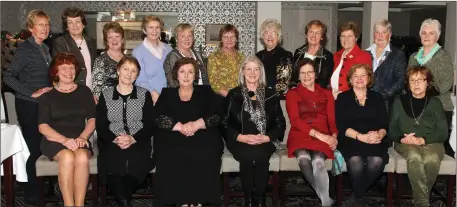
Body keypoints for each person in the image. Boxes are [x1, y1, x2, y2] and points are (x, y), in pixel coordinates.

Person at [153, 58, 224, 206]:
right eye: (182, 72)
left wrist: (196, 124)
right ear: (176, 75)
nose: (186, 76)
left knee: (204, 152)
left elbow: (217, 116)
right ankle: (178, 201)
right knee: (171, 154)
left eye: (190, 72)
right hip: (173, 135)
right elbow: (157, 117)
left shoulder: (206, 91)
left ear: (195, 75)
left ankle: (200, 200)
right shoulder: (167, 94)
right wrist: (179, 126)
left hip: (202, 135)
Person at [2, 10, 53, 205]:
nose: (45, 28)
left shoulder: (44, 48)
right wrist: (30, 93)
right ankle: (32, 195)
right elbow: (8, 77)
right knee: (33, 149)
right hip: (29, 105)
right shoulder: (26, 49)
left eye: (47, 24)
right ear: (31, 28)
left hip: (42, 106)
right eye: (40, 24)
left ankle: (40, 189)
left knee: (41, 148)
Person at [221, 55, 286, 206]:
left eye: (256, 69)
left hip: (265, 139)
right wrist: (240, 137)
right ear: (242, 72)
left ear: (261, 72)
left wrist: (267, 138)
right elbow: (224, 123)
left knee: (261, 155)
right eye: (248, 69)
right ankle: (249, 197)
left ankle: (258, 197)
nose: (252, 72)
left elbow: (280, 124)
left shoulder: (271, 95)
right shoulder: (233, 95)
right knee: (248, 156)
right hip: (239, 140)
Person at [38, 52, 96, 206]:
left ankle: (80, 204)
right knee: (68, 157)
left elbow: (92, 119)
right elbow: (43, 127)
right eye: (63, 68)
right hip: (54, 140)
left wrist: (83, 137)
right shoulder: (47, 95)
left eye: (71, 68)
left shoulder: (84, 91)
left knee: (82, 157)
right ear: (56, 72)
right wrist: (64, 140)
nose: (68, 72)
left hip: (79, 138)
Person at [96, 56, 154, 206]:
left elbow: (149, 124)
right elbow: (101, 124)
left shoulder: (143, 94)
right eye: (126, 69)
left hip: (139, 140)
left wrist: (133, 138)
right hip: (111, 140)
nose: (129, 74)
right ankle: (124, 200)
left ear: (137, 75)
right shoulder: (106, 94)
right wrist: (115, 138)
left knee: (136, 161)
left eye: (133, 71)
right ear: (118, 71)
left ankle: (122, 200)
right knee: (113, 161)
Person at [389, 66, 448, 207]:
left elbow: (443, 132)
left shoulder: (435, 103)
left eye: (420, 80)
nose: (416, 84)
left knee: (431, 159)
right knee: (415, 157)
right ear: (408, 84)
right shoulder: (398, 101)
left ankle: (420, 197)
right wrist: (402, 139)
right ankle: (422, 203)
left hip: (432, 142)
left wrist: (423, 140)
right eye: (412, 80)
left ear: (428, 83)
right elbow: (392, 130)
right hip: (405, 142)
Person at [335, 64, 389, 206]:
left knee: (376, 161)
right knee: (355, 161)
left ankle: (357, 195)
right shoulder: (343, 98)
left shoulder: (377, 97)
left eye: (363, 75)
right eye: (355, 76)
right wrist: (360, 136)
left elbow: (384, 124)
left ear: (369, 78)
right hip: (351, 138)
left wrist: (379, 135)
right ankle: (359, 197)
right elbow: (341, 126)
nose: (359, 79)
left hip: (374, 139)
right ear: (350, 80)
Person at [285, 58, 337, 206]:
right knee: (302, 157)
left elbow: (332, 120)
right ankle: (325, 199)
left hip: (323, 133)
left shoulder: (327, 94)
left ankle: (324, 199)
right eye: (303, 73)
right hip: (300, 132)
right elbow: (295, 121)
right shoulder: (292, 94)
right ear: (298, 75)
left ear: (316, 74)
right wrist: (321, 136)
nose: (306, 76)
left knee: (318, 161)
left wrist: (333, 137)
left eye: (310, 72)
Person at [407, 18, 455, 154]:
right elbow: (408, 80)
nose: (426, 36)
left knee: (432, 148)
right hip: (416, 107)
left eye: (431, 33)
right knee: (415, 148)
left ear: (438, 36)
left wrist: (424, 94)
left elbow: (447, 83)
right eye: (423, 33)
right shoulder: (414, 57)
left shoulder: (443, 56)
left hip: (439, 107)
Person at [51, 7, 97, 91]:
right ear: (66, 26)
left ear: (83, 24)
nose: (74, 25)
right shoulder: (59, 43)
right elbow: (57, 71)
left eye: (77, 21)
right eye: (70, 22)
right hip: (69, 91)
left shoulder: (91, 43)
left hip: (90, 91)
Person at [366, 19, 407, 110]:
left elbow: (400, 82)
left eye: (384, 32)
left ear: (390, 35)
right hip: (365, 103)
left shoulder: (398, 54)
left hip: (387, 105)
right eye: (377, 32)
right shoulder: (365, 54)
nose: (380, 36)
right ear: (374, 34)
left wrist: (381, 96)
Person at [132, 15, 172, 103]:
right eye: (151, 27)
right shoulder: (138, 51)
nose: (154, 31)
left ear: (161, 29)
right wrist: (154, 94)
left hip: (168, 96)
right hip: (148, 98)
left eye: (157, 27)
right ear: (144, 30)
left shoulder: (168, 49)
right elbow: (140, 79)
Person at [330, 21, 372, 99]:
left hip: (353, 101)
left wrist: (341, 95)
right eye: (343, 36)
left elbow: (363, 83)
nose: (346, 39)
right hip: (333, 101)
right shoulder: (335, 56)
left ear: (356, 38)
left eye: (349, 36)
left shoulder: (364, 56)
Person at [164, 23, 209, 87]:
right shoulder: (172, 57)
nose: (187, 39)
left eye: (189, 36)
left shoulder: (198, 55)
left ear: (193, 38)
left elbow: (205, 77)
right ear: (176, 38)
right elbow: (173, 84)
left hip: (201, 93)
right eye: (183, 36)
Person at [292, 20, 334, 89]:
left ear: (322, 37)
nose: (313, 35)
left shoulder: (327, 56)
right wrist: (294, 88)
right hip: (297, 92)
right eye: (311, 32)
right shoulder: (298, 52)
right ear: (306, 34)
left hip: (316, 95)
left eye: (317, 33)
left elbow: (323, 81)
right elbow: (293, 76)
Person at [255, 19, 293, 95]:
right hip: (258, 99)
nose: (270, 36)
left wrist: (263, 96)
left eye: (273, 33)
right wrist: (253, 97)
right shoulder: (257, 56)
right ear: (262, 36)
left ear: (278, 36)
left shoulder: (285, 55)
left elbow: (283, 85)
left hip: (276, 100)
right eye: (266, 33)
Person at [207, 24, 245, 97]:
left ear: (236, 39)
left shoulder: (242, 57)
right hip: (222, 99)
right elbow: (214, 83)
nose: (229, 40)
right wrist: (231, 96)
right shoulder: (214, 57)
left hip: (241, 97)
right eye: (225, 37)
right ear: (221, 39)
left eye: (232, 37)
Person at [92, 22, 125, 101]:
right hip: (107, 103)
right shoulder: (100, 60)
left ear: (122, 39)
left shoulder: (128, 60)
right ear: (106, 41)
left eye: (117, 36)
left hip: (127, 102)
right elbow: (96, 90)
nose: (114, 40)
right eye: (110, 37)